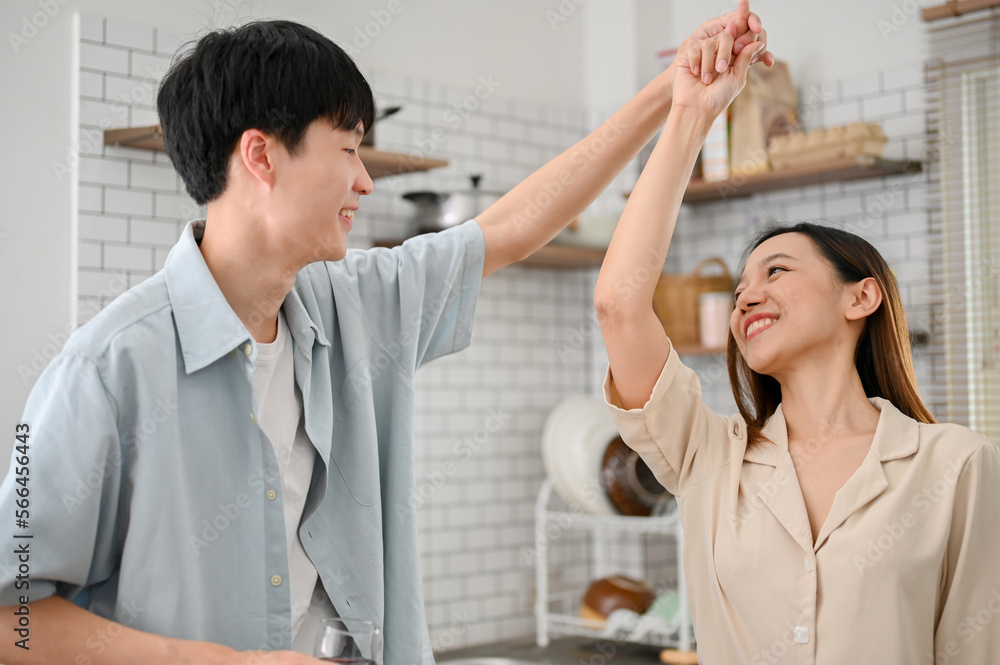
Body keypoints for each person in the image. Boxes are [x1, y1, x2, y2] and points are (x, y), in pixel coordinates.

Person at [0, 8, 772, 665]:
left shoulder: (358, 302)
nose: (366, 180)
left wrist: (670, 101)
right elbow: (14, 618)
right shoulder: (103, 370)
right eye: (347, 150)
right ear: (261, 155)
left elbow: (508, 227)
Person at [595, 28, 1000, 665]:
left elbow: (973, 650)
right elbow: (620, 303)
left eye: (776, 271)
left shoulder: (955, 466)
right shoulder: (711, 459)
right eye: (738, 290)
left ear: (861, 298)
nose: (746, 297)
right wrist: (692, 115)